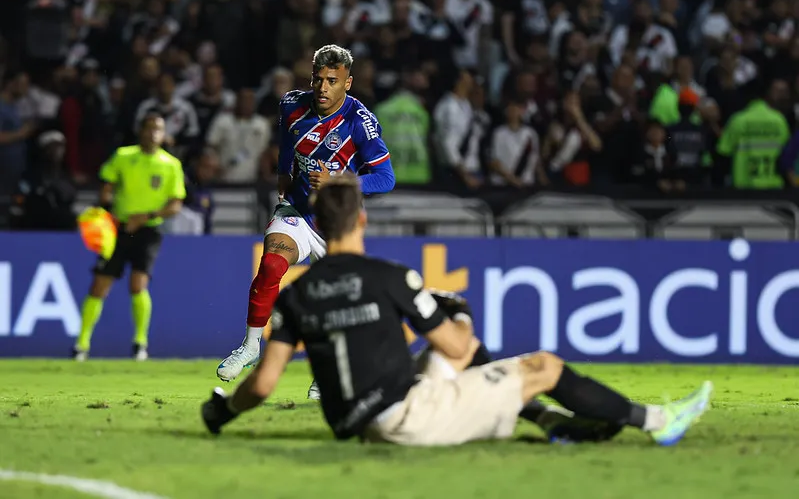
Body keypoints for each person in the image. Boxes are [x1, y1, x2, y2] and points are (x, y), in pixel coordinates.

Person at [202, 175, 713, 446]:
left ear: (318, 222)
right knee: (544, 366)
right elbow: (458, 347)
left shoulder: (296, 293)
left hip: (357, 420)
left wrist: (222, 411)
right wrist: (454, 312)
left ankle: (550, 424)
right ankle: (658, 420)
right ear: (361, 217)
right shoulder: (391, 277)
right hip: (406, 419)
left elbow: (265, 383)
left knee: (450, 362)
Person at [215, 45, 396, 397]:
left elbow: (386, 178)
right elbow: (287, 142)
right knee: (270, 265)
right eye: (318, 79)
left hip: (336, 223)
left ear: (348, 83)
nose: (323, 88)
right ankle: (251, 347)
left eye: (332, 81)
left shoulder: (360, 123)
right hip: (297, 210)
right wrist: (284, 175)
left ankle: (326, 372)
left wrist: (339, 182)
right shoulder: (291, 105)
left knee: (336, 300)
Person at [73, 112, 186, 361]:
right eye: (148, 128)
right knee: (99, 285)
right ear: (140, 131)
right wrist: (106, 204)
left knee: (138, 283)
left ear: (164, 134)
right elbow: (106, 184)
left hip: (149, 230)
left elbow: (176, 204)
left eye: (158, 129)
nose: (152, 133)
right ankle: (81, 344)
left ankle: (140, 343)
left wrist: (145, 217)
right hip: (118, 228)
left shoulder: (170, 164)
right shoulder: (123, 156)